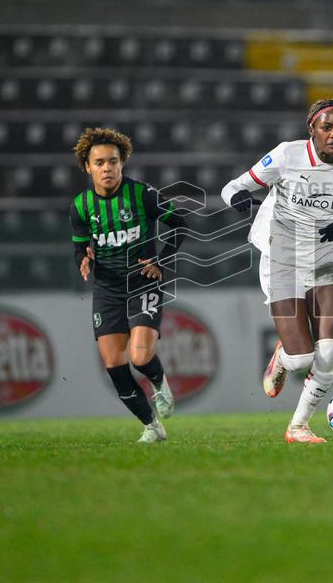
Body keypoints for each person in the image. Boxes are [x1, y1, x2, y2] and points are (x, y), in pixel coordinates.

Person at [221, 99, 333, 443]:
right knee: (301, 359)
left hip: (327, 254)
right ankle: (282, 357)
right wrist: (238, 200)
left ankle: (298, 427)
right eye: (327, 127)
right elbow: (232, 187)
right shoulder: (286, 155)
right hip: (282, 253)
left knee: (329, 352)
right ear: (311, 129)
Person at [70, 128, 187, 443]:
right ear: (88, 167)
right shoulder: (80, 207)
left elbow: (180, 224)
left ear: (122, 164)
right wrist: (84, 256)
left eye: (113, 161)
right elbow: (80, 246)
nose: (107, 168)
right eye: (100, 163)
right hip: (107, 287)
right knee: (114, 364)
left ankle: (159, 381)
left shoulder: (142, 195)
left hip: (142, 283)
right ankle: (152, 425)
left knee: (139, 357)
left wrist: (161, 260)